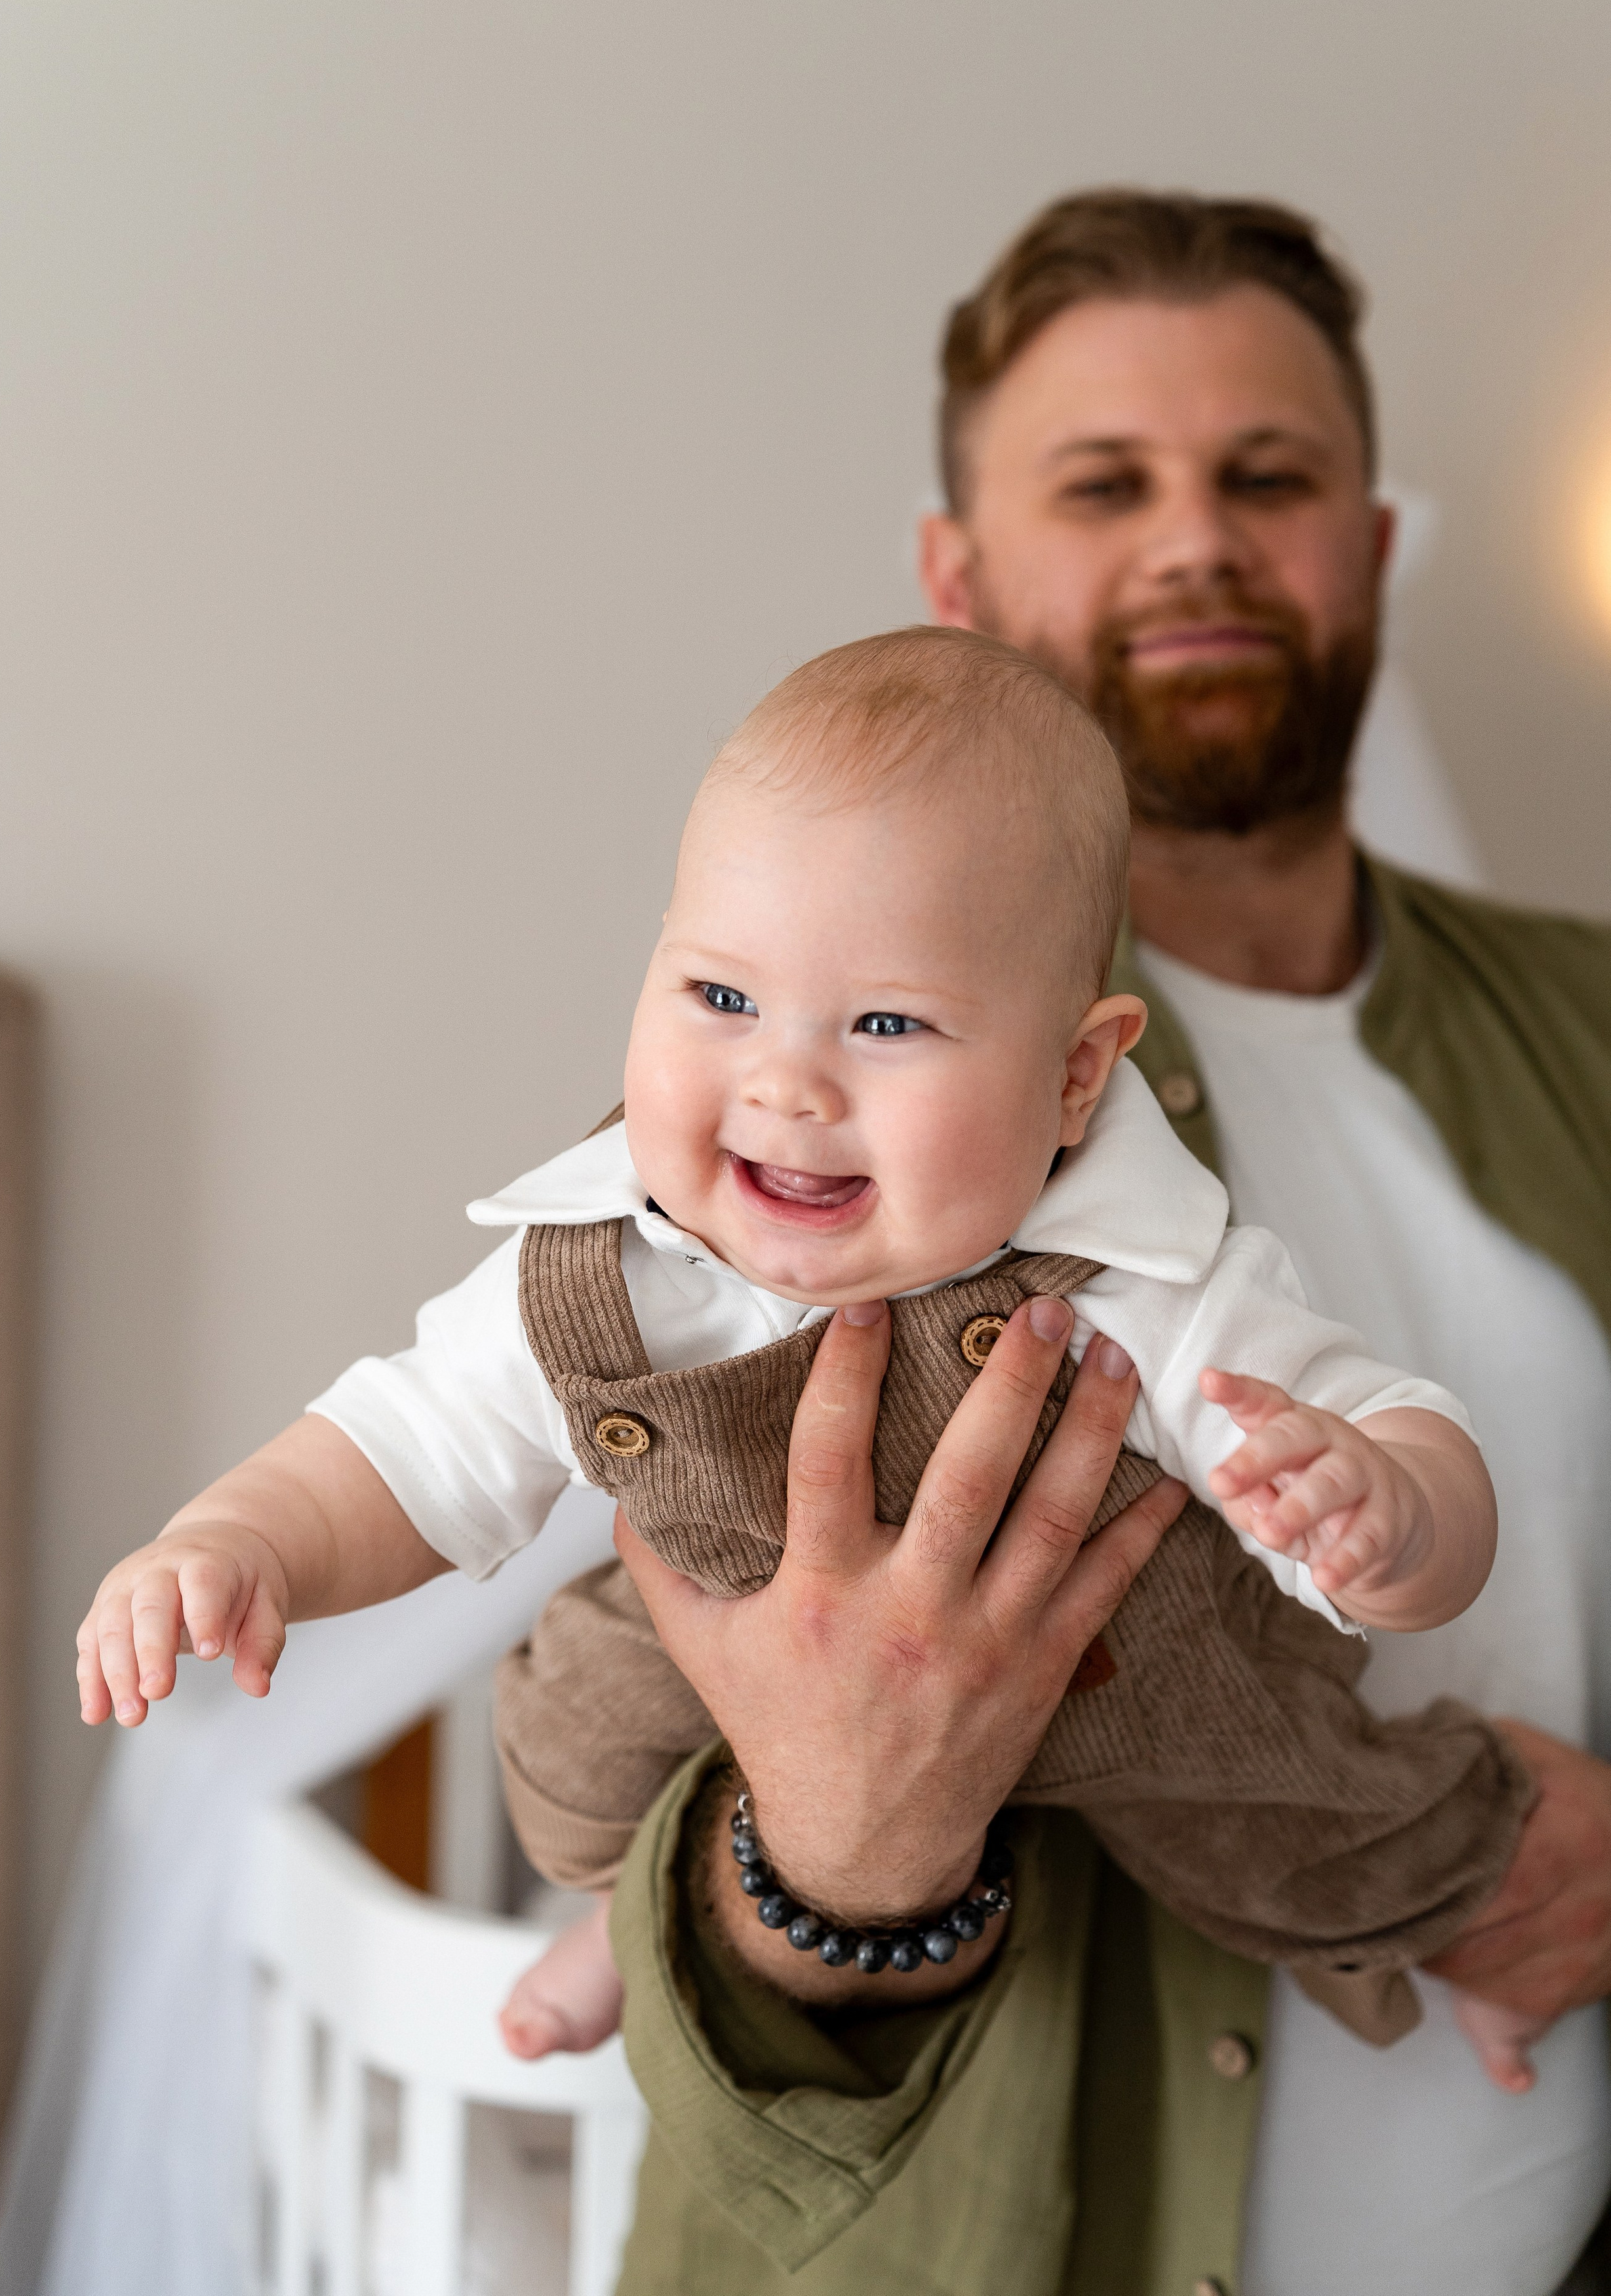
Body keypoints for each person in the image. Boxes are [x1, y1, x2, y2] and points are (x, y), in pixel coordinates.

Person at [592, 190, 1611, 2296]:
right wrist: (848, 1853)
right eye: (1105, 483)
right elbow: (656, 1697)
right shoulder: (831, 1106)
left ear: (1373, 544)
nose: (1196, 543)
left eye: (1268, 477)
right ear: (958, 576)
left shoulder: (1589, 1029)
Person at [75, 628, 1526, 2069]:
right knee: (577, 1753)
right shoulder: (617, 1265)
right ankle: (625, 1920)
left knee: (1347, 1833)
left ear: (1075, 1075)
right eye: (719, 999)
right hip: (722, 1663)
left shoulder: (1150, 1277)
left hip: (1136, 1689)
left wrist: (1382, 1512)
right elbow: (401, 1448)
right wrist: (234, 1541)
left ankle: (1481, 1957)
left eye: (886, 1023)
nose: (783, 1080)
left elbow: (1379, 1421)